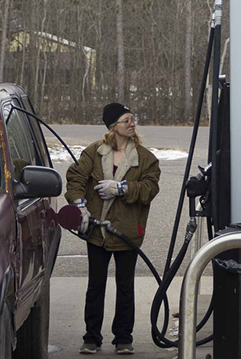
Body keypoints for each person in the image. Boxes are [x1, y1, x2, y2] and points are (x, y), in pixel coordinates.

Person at [66, 102, 161, 355]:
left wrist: (123, 188)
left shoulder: (145, 158)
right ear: (112, 126)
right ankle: (91, 337)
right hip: (97, 232)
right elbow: (75, 178)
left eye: (132, 119)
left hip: (127, 232)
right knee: (95, 286)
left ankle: (123, 338)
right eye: (125, 120)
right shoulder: (94, 153)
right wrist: (80, 206)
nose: (132, 124)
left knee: (125, 286)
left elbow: (150, 188)